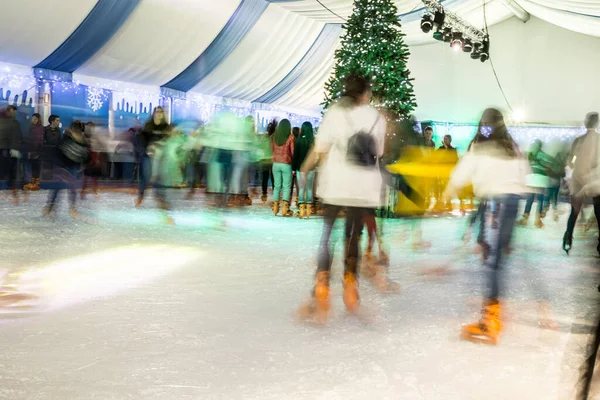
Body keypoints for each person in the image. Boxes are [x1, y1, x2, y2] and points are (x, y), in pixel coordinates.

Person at [297, 75, 385, 323]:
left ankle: (321, 291)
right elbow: (380, 152)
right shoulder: (377, 117)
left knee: (328, 236)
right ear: (366, 93)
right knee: (353, 237)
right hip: (363, 188)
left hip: (336, 184)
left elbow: (320, 147)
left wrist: (305, 168)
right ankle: (350, 286)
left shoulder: (335, 112)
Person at [444, 108, 531, 345]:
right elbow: (525, 174)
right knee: (497, 259)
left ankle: (491, 319)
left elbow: (461, 175)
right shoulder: (513, 147)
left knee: (492, 262)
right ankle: (494, 310)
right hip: (511, 203)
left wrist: (448, 192)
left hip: (495, 204)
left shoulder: (479, 147)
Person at [562, 112, 600, 255]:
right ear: (597, 123)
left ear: (586, 123)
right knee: (599, 213)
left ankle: (568, 239)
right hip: (596, 181)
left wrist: (572, 172)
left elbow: (569, 160)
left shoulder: (578, 140)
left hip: (579, 179)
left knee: (574, 212)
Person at [42, 121, 89, 218]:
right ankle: (50, 206)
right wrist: (57, 166)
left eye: (79, 131)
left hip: (73, 167)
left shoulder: (83, 142)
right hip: (62, 166)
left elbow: (85, 155)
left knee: (72, 187)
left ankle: (72, 207)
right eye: (76, 131)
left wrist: (83, 164)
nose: (77, 133)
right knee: (57, 187)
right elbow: (56, 152)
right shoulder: (66, 139)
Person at [136, 106, 169, 208]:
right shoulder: (148, 125)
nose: (159, 113)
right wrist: (146, 148)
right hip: (148, 155)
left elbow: (167, 140)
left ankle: (161, 198)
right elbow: (142, 139)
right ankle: (140, 196)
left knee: (160, 177)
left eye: (161, 112)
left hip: (160, 156)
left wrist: (160, 144)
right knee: (146, 177)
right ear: (154, 113)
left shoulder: (165, 126)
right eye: (157, 112)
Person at [270, 119, 295, 216]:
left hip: (275, 164)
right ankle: (285, 208)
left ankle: (275, 207)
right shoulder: (291, 137)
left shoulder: (274, 137)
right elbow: (293, 152)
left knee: (277, 186)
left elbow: (272, 150)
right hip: (286, 164)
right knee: (286, 187)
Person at [292, 122, 315, 218]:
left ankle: (301, 210)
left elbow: (295, 156)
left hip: (300, 168)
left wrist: (293, 168)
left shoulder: (298, 140)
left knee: (301, 188)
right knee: (309, 188)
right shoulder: (313, 141)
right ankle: (309, 209)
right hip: (311, 168)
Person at [0, 105, 23, 204]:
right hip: (4, 149)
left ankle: (14, 192)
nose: (14, 113)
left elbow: (18, 136)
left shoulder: (15, 123)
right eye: (13, 111)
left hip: (11, 150)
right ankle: (13, 192)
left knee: (12, 172)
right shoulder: (5, 122)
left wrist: (16, 148)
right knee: (7, 171)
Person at [23, 113, 44, 191]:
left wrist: (39, 149)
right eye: (33, 119)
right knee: (33, 167)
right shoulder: (31, 128)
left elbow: (40, 140)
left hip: (38, 150)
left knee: (37, 167)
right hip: (31, 150)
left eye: (35, 119)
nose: (33, 120)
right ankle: (33, 182)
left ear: (38, 120)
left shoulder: (40, 128)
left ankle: (36, 183)